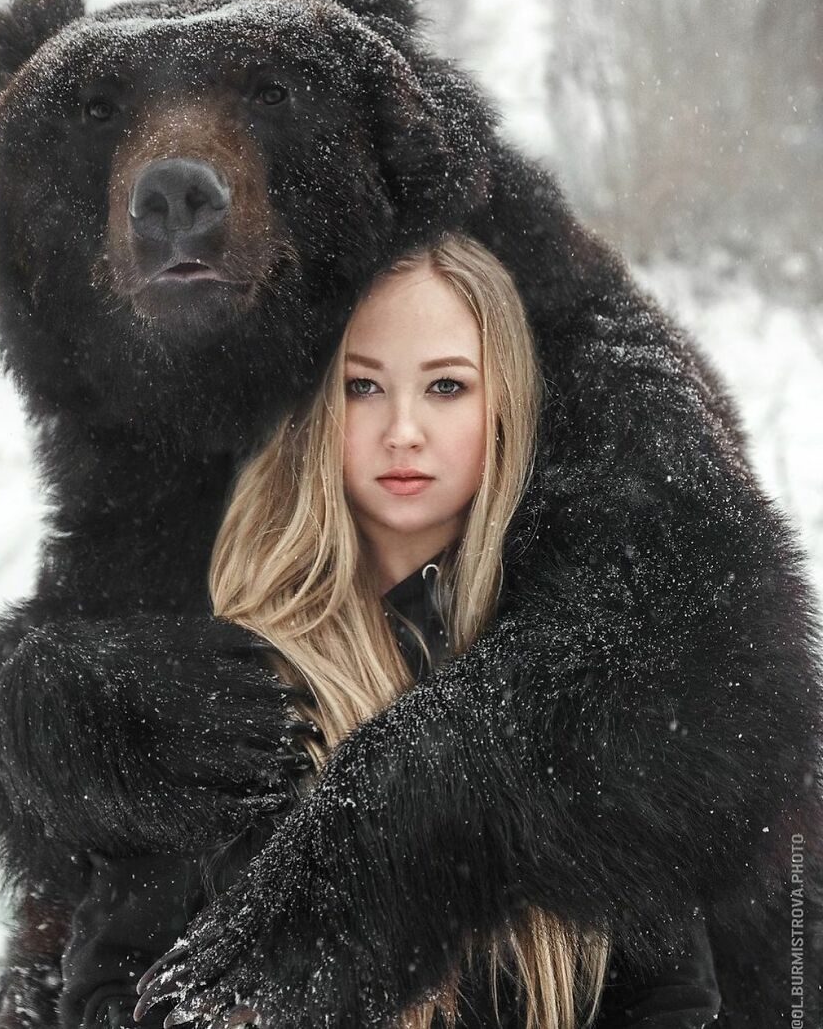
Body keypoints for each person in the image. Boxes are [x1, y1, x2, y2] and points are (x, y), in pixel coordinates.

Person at [131, 233, 722, 1029]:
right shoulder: (223, 690)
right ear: (316, 407)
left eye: (446, 386)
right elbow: (121, 986)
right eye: (363, 387)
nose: (402, 429)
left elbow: (668, 993)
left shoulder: (595, 666)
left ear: (503, 400)